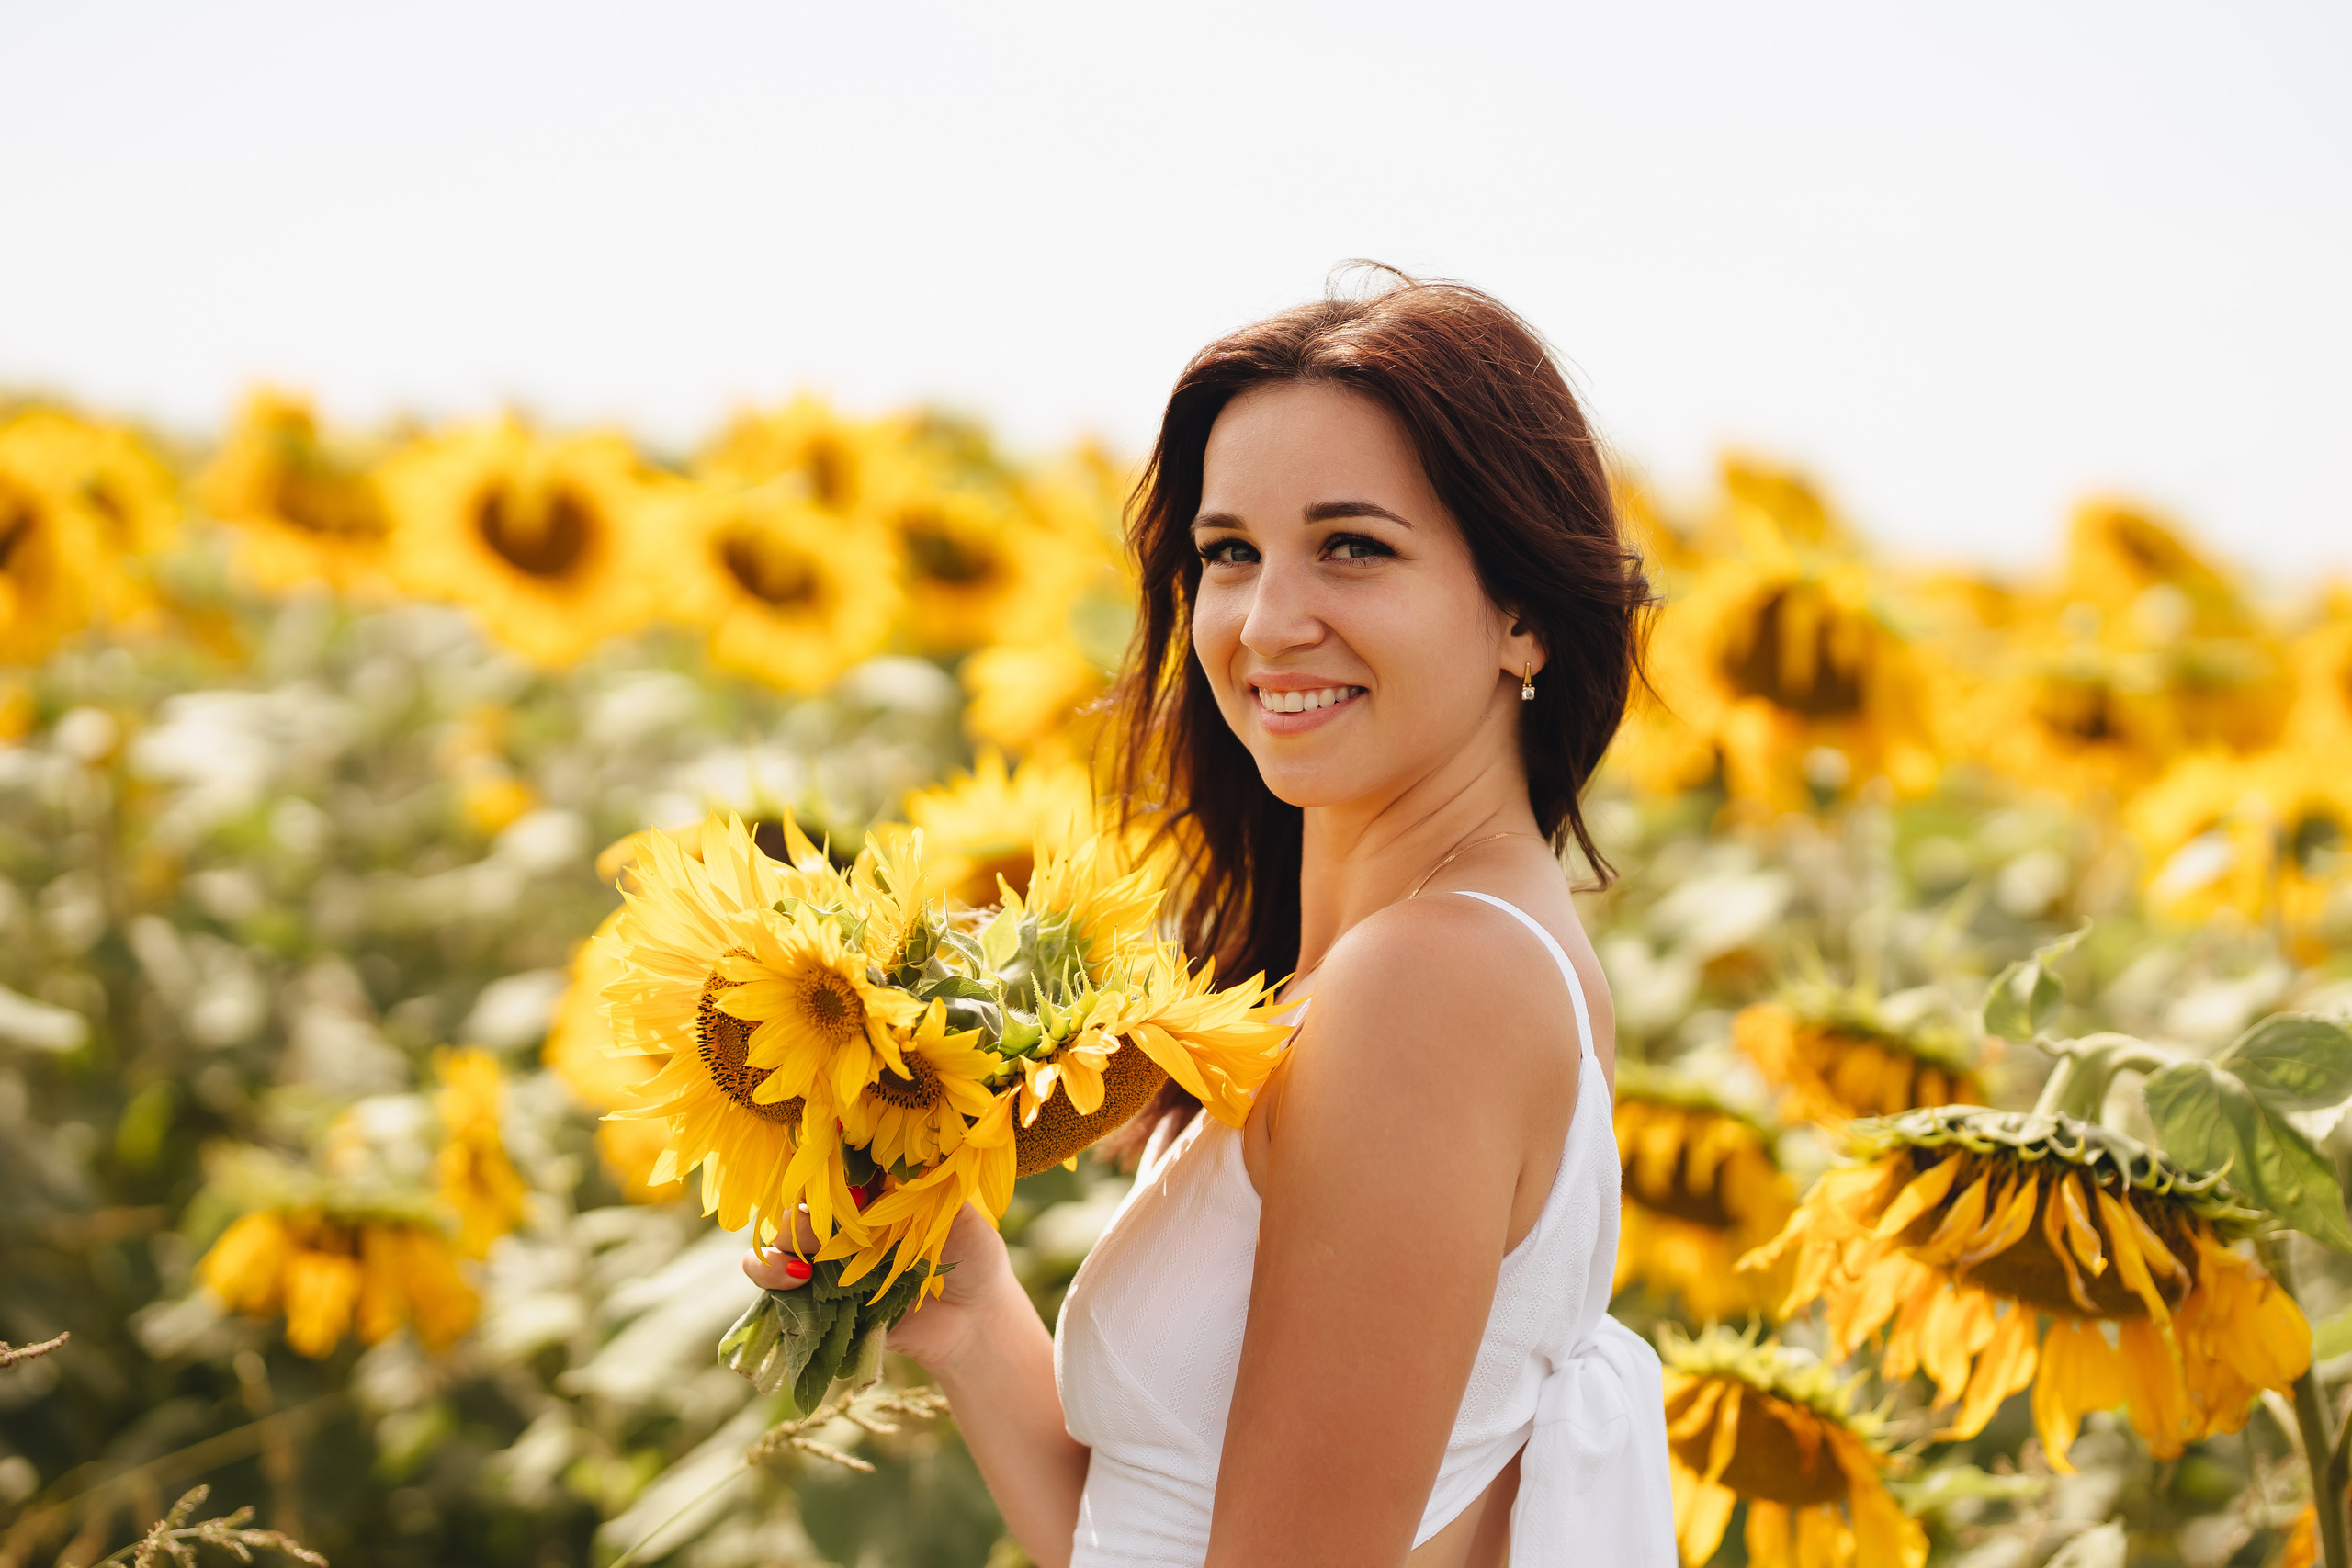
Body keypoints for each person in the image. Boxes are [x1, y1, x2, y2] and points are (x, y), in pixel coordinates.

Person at [747, 267, 1675, 1567]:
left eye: (1353, 546)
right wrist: (969, 1312)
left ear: (1522, 613)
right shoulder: (1402, 964)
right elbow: (1159, 1535)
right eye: (1229, 553)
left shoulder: (1431, 983)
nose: (1265, 622)